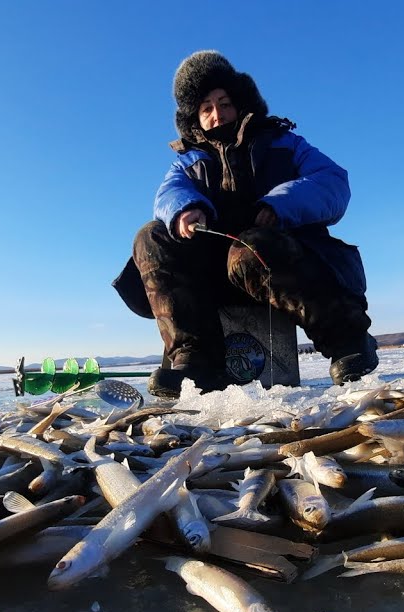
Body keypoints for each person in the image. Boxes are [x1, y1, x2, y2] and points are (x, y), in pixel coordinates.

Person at [113, 50, 378, 399]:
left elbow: (332, 182)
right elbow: (168, 194)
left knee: (252, 247)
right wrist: (185, 211)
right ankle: (195, 364)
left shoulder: (285, 142)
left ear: (240, 103)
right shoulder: (185, 164)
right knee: (150, 236)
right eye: (205, 108)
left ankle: (347, 341)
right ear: (195, 117)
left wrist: (279, 205)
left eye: (223, 102)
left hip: (281, 267)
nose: (216, 113)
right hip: (212, 282)